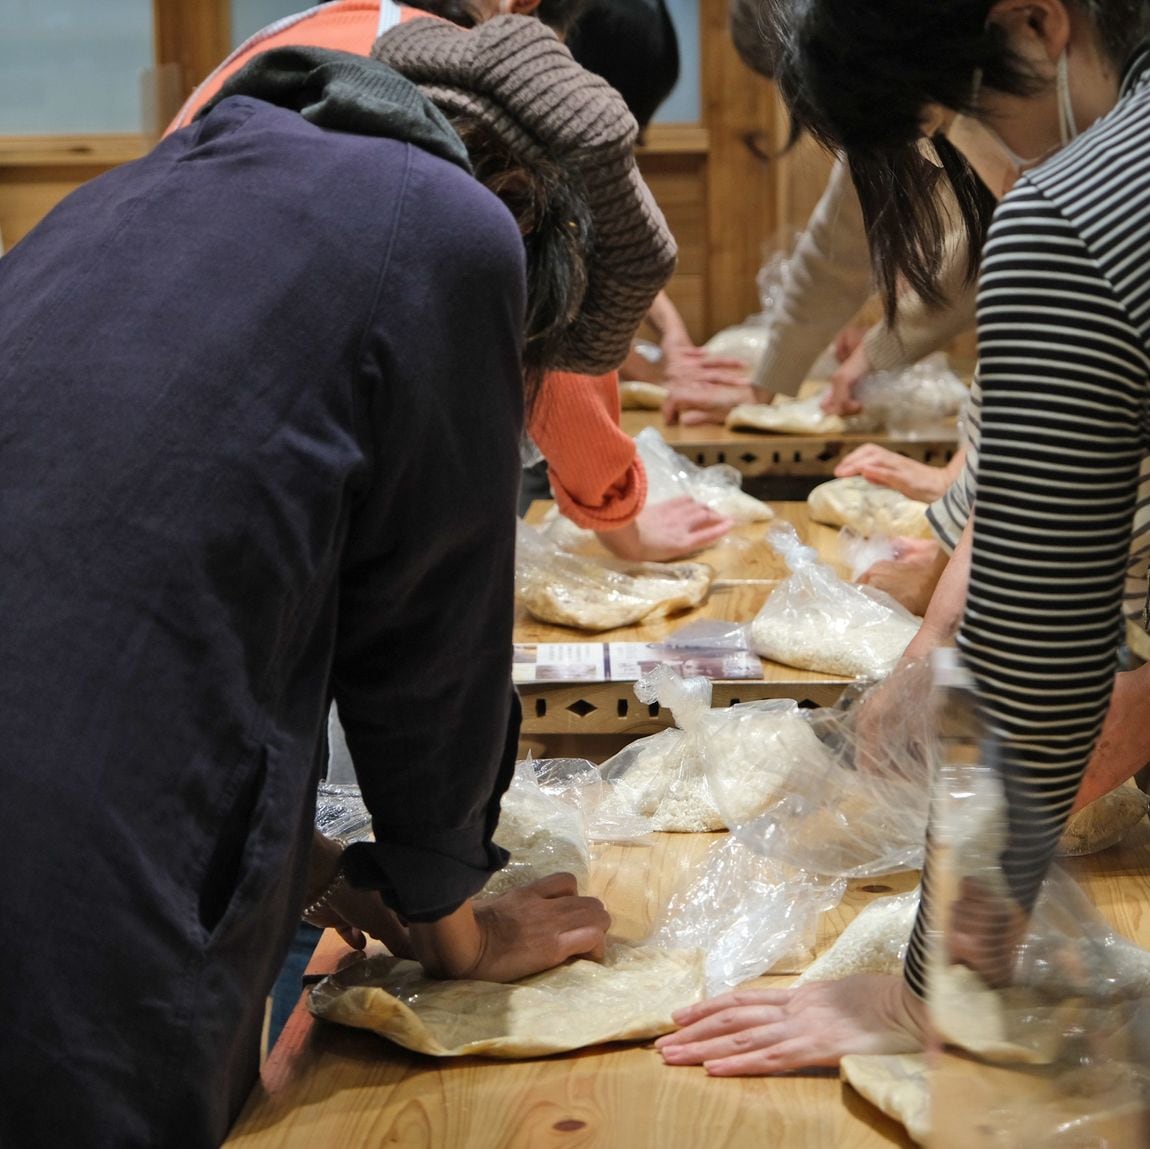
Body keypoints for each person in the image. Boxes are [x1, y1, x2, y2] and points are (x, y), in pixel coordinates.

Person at [0, 17, 673, 1144]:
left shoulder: (133, 194)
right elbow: (429, 644)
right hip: (66, 899)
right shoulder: (453, 231)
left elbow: (120, 613)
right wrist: (456, 928)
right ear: (528, 216)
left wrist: (330, 879)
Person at [657, 0, 1150, 1074]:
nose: (981, 168)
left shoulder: (1078, 210)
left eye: (960, 127)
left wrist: (941, 984)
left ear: (1034, 20)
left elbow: (1037, 673)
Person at [170, 0, 735, 564]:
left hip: (163, 421)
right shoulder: (476, 82)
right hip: (299, 470)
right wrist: (620, 518)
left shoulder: (279, 41)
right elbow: (554, 346)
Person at [660, 0, 984, 426]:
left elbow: (994, 244)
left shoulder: (964, 75)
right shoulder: (885, 96)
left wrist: (877, 349)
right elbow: (836, 249)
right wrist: (767, 381)